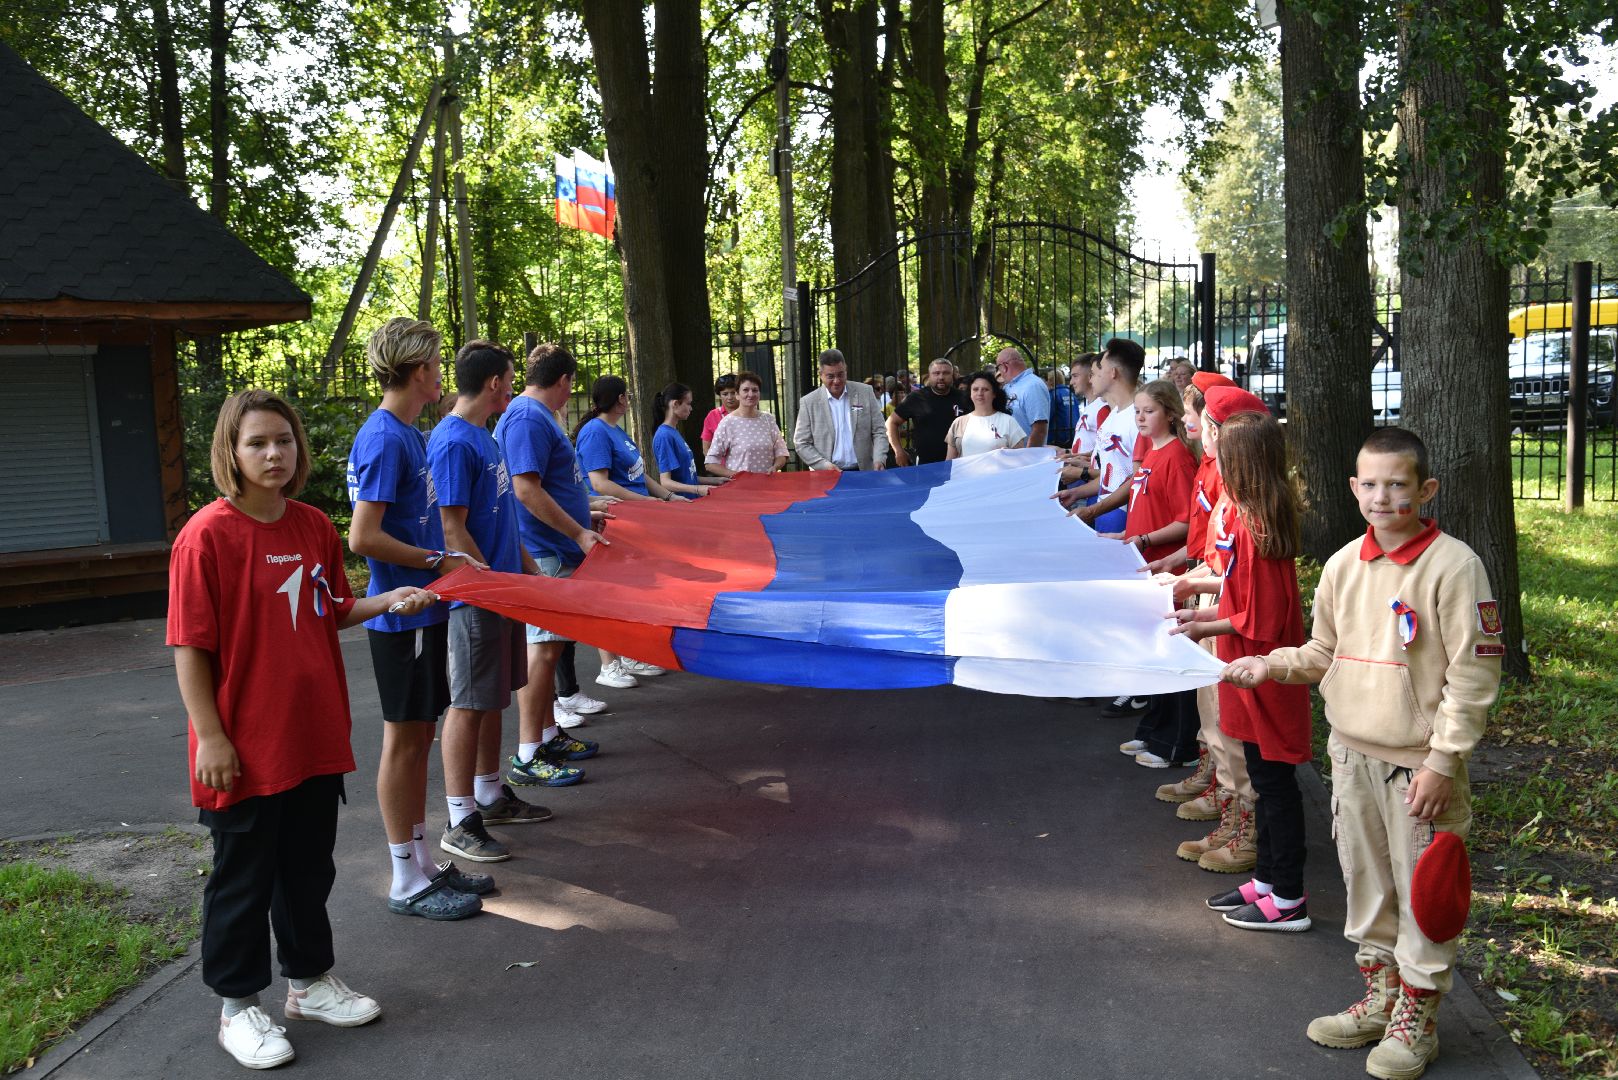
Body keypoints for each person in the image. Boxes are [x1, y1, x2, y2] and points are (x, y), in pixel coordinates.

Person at [170, 389, 440, 1069]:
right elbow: (189, 649)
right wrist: (213, 739)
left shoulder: (314, 525)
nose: (273, 454)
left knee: (306, 871)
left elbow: (328, 609)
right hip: (244, 747)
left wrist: (385, 599)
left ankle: (309, 983)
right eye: (257, 442)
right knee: (242, 880)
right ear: (231, 451)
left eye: (283, 441)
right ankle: (236, 1008)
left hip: (314, 737)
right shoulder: (206, 536)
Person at [1222, 427, 1502, 1078]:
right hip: (1350, 757)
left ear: (1425, 489)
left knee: (1424, 892)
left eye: (1398, 484)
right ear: (1353, 489)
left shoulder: (1454, 567)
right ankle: (1380, 998)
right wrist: (1269, 665)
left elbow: (1473, 674)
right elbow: (1322, 653)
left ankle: (1418, 1020)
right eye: (1370, 484)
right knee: (1368, 886)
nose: (1382, 497)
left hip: (1418, 768)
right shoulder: (1346, 565)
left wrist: (1442, 760)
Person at [347, 318, 516, 923]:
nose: (444, 373)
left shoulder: (406, 433)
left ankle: (419, 862)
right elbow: (363, 536)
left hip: (423, 609)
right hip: (401, 615)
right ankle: (401, 876)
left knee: (420, 735)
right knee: (404, 739)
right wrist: (436, 560)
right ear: (420, 372)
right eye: (438, 363)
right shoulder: (388, 438)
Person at [429, 341, 593, 864]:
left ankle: (490, 793)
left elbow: (501, 521)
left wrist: (526, 579)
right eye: (508, 379)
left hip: (501, 589)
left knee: (494, 696)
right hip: (475, 597)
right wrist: (490, 584)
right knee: (469, 702)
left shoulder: (482, 436)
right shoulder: (454, 440)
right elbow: (452, 529)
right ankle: (460, 819)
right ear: (497, 384)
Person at [1170, 410, 1312, 934]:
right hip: (1243, 663)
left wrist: (1204, 627)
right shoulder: (1244, 514)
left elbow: (1263, 618)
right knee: (1262, 773)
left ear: (1244, 464)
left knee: (1276, 785)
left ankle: (1289, 896)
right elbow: (1237, 598)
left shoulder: (1258, 525)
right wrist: (1200, 615)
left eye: (1223, 458)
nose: (1215, 465)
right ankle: (1268, 883)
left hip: (1264, 671)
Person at [1112, 380, 1199, 770]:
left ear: (1170, 413)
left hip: (1168, 570)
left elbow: (1187, 522)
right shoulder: (1152, 453)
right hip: (1146, 566)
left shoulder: (1178, 457)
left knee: (1173, 654)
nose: (1141, 417)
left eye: (1149, 410)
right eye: (1138, 411)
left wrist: (1145, 539)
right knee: (1154, 652)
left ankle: (1177, 744)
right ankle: (1154, 728)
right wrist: (1123, 536)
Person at [1057, 338, 1145, 534]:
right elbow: (1110, 474)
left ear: (1113, 373)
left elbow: (1137, 479)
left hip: (1123, 514)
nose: (1090, 378)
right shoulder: (1114, 415)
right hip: (1104, 508)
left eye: (1099, 369)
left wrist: (1093, 510)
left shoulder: (1138, 418)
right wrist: (1076, 492)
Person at [576, 375, 681, 505]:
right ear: (621, 399)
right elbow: (600, 484)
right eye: (628, 396)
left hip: (638, 506)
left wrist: (669, 496)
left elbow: (639, 474)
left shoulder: (615, 429)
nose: (629, 400)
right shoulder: (595, 432)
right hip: (621, 511)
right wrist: (645, 500)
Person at [794, 349, 887, 471]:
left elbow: (879, 431)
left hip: (864, 471)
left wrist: (879, 458)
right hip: (827, 474)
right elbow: (801, 442)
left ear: (846, 370)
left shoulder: (865, 392)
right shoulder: (809, 402)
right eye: (830, 376)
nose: (836, 381)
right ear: (820, 374)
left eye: (840, 374)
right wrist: (824, 465)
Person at [654, 381, 730, 498]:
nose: (691, 408)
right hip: (682, 504)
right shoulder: (664, 435)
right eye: (688, 404)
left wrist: (715, 480)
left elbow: (687, 476)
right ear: (675, 404)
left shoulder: (673, 432)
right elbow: (665, 482)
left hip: (692, 501)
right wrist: (697, 489)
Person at [888, 357, 969, 466]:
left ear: (953, 375)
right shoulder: (916, 398)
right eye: (936, 373)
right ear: (929, 376)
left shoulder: (964, 398)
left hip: (960, 462)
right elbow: (891, 422)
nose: (941, 377)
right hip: (926, 464)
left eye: (945, 373)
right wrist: (898, 450)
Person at [706, 370, 789, 476]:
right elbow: (710, 463)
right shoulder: (728, 423)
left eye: (755, 390)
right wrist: (737, 475)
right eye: (745, 390)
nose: (751, 394)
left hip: (768, 485)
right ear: (737, 395)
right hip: (740, 488)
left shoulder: (768, 419)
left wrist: (775, 467)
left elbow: (781, 452)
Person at [945, 370, 1028, 458]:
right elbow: (950, 462)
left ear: (994, 394)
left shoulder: (1008, 421)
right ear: (970, 393)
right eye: (975, 389)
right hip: (967, 472)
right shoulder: (959, 422)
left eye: (985, 389)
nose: (980, 393)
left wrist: (1009, 454)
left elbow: (1020, 458)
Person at [993, 346, 1050, 448]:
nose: (999, 372)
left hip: (1025, 458)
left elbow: (1039, 429)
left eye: (998, 367)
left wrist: (1027, 456)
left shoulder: (1033, 386)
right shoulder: (1009, 386)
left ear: (1005, 366)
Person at [700, 373, 739, 461]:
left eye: (733, 393)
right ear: (719, 395)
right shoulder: (712, 416)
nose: (730, 397)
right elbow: (706, 449)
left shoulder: (749, 413)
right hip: (723, 470)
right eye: (725, 394)